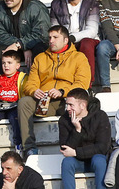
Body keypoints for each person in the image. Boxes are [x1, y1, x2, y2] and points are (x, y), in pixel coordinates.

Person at [19, 26, 90, 154]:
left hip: (67, 100)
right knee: (24, 102)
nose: (51, 40)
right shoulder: (40, 58)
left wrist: (63, 91)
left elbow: (82, 84)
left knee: (78, 104)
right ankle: (29, 148)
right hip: (45, 101)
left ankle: (75, 147)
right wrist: (34, 91)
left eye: (55, 37)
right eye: (50, 37)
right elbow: (29, 84)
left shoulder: (79, 57)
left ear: (65, 40)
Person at [56, 88, 109, 189]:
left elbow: (102, 147)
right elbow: (65, 149)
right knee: (67, 163)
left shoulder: (100, 116)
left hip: (95, 159)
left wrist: (76, 152)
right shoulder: (64, 120)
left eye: (71, 105)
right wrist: (77, 130)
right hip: (78, 161)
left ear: (82, 105)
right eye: (67, 105)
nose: (68, 109)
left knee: (99, 160)